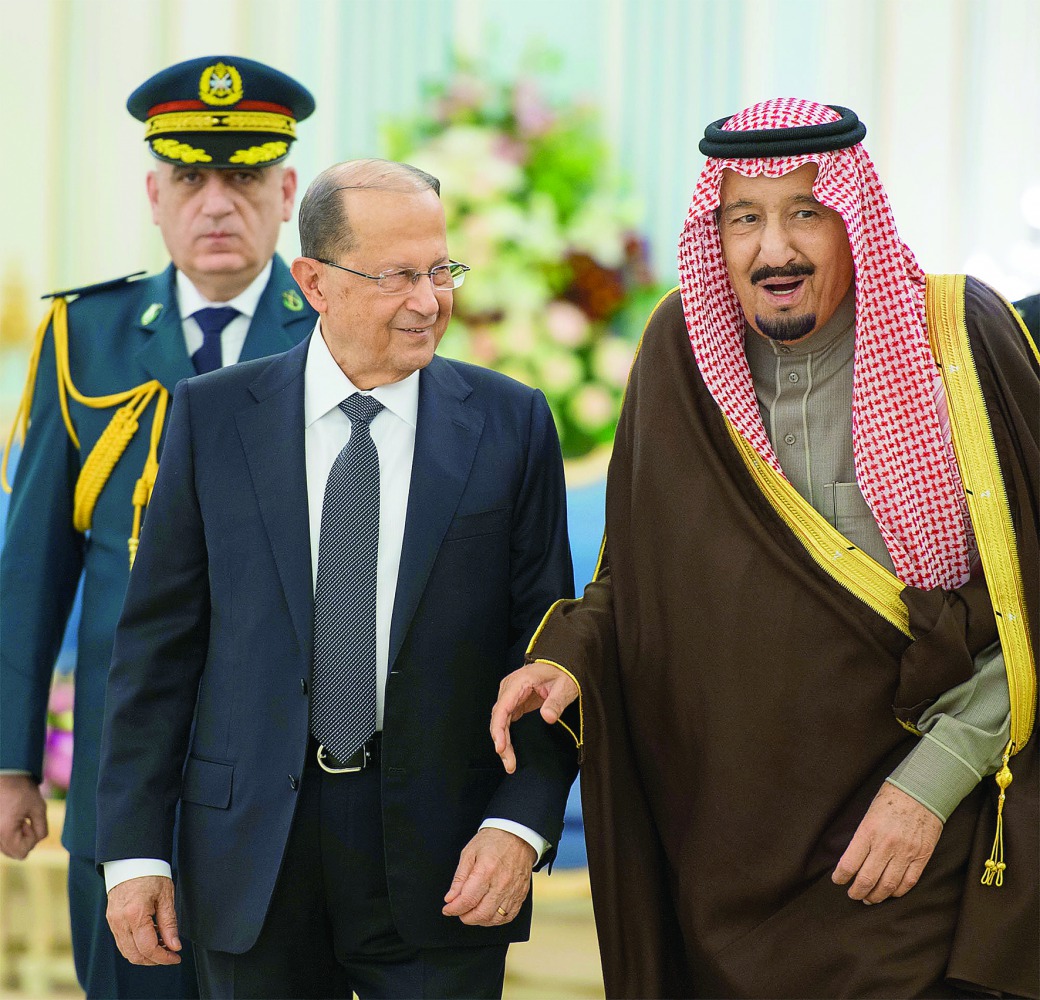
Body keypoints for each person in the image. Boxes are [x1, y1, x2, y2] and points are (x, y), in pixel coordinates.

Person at [492, 98, 1038, 999]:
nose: (773, 249)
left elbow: (1027, 597)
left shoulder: (958, 338)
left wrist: (932, 784)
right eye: (744, 218)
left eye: (806, 214)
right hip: (729, 859)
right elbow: (635, 584)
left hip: (910, 839)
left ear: (856, 223)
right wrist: (568, 664)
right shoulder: (680, 350)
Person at [94, 159, 578, 999]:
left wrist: (519, 822)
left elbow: (548, 648)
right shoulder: (213, 418)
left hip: (446, 858)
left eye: (440, 270)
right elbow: (156, 651)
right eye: (395, 276)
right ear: (312, 281)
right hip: (251, 852)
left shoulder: (512, 422)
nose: (428, 301)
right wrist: (134, 852)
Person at [0, 55, 316, 999]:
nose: (217, 203)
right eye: (190, 178)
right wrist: (13, 761)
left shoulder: (335, 334)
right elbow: (33, 574)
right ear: (153, 193)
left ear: (288, 190)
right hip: (120, 765)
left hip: (286, 775)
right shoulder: (84, 336)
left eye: (246, 176)